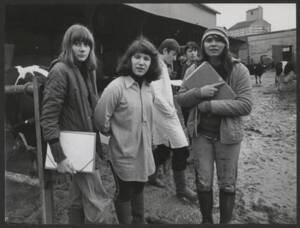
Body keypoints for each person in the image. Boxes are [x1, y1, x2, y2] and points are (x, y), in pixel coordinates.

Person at [176, 27, 252, 224]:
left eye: (219, 40)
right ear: (203, 44)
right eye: (209, 40)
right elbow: (182, 99)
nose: (214, 44)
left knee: (227, 183)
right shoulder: (193, 69)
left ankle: (225, 223)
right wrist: (199, 92)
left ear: (225, 44)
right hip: (201, 135)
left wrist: (210, 105)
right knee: (203, 181)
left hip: (228, 136)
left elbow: (245, 104)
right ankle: (207, 221)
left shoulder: (238, 70)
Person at [40, 24, 110, 224]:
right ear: (68, 46)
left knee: (77, 199)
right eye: (77, 43)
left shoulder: (87, 70)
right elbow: (48, 117)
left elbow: (89, 109)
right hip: (74, 149)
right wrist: (59, 156)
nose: (82, 49)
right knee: (98, 201)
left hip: (86, 145)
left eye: (86, 44)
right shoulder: (61, 70)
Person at [93, 37, 161, 224]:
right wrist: (114, 132)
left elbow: (149, 116)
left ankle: (138, 221)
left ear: (152, 63)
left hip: (144, 150)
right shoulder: (117, 87)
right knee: (125, 191)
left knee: (139, 186)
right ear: (129, 59)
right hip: (123, 151)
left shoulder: (149, 88)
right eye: (137, 57)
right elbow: (100, 118)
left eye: (146, 59)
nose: (141, 62)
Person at [149, 38, 197, 203]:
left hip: (163, 113)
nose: (175, 58)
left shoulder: (161, 65)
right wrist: (170, 111)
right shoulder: (156, 65)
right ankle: (181, 188)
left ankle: (151, 175)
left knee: (163, 147)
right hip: (165, 114)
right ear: (165, 51)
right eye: (173, 54)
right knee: (182, 148)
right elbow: (154, 93)